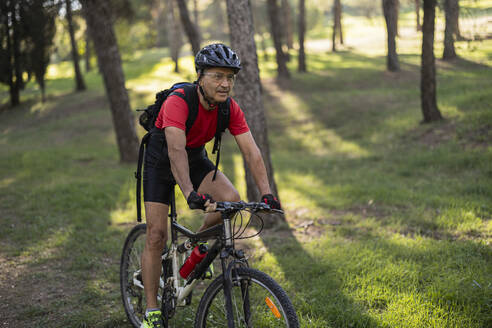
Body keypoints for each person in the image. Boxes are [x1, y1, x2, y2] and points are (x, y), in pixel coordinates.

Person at [140, 43, 281, 328]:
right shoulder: (179, 101)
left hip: (194, 158)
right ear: (200, 76)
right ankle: (152, 309)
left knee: (231, 199)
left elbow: (252, 151)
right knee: (156, 235)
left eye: (230, 77)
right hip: (161, 161)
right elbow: (175, 152)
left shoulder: (229, 108)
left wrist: (267, 193)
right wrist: (190, 193)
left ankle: (196, 249)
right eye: (218, 76)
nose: (225, 84)